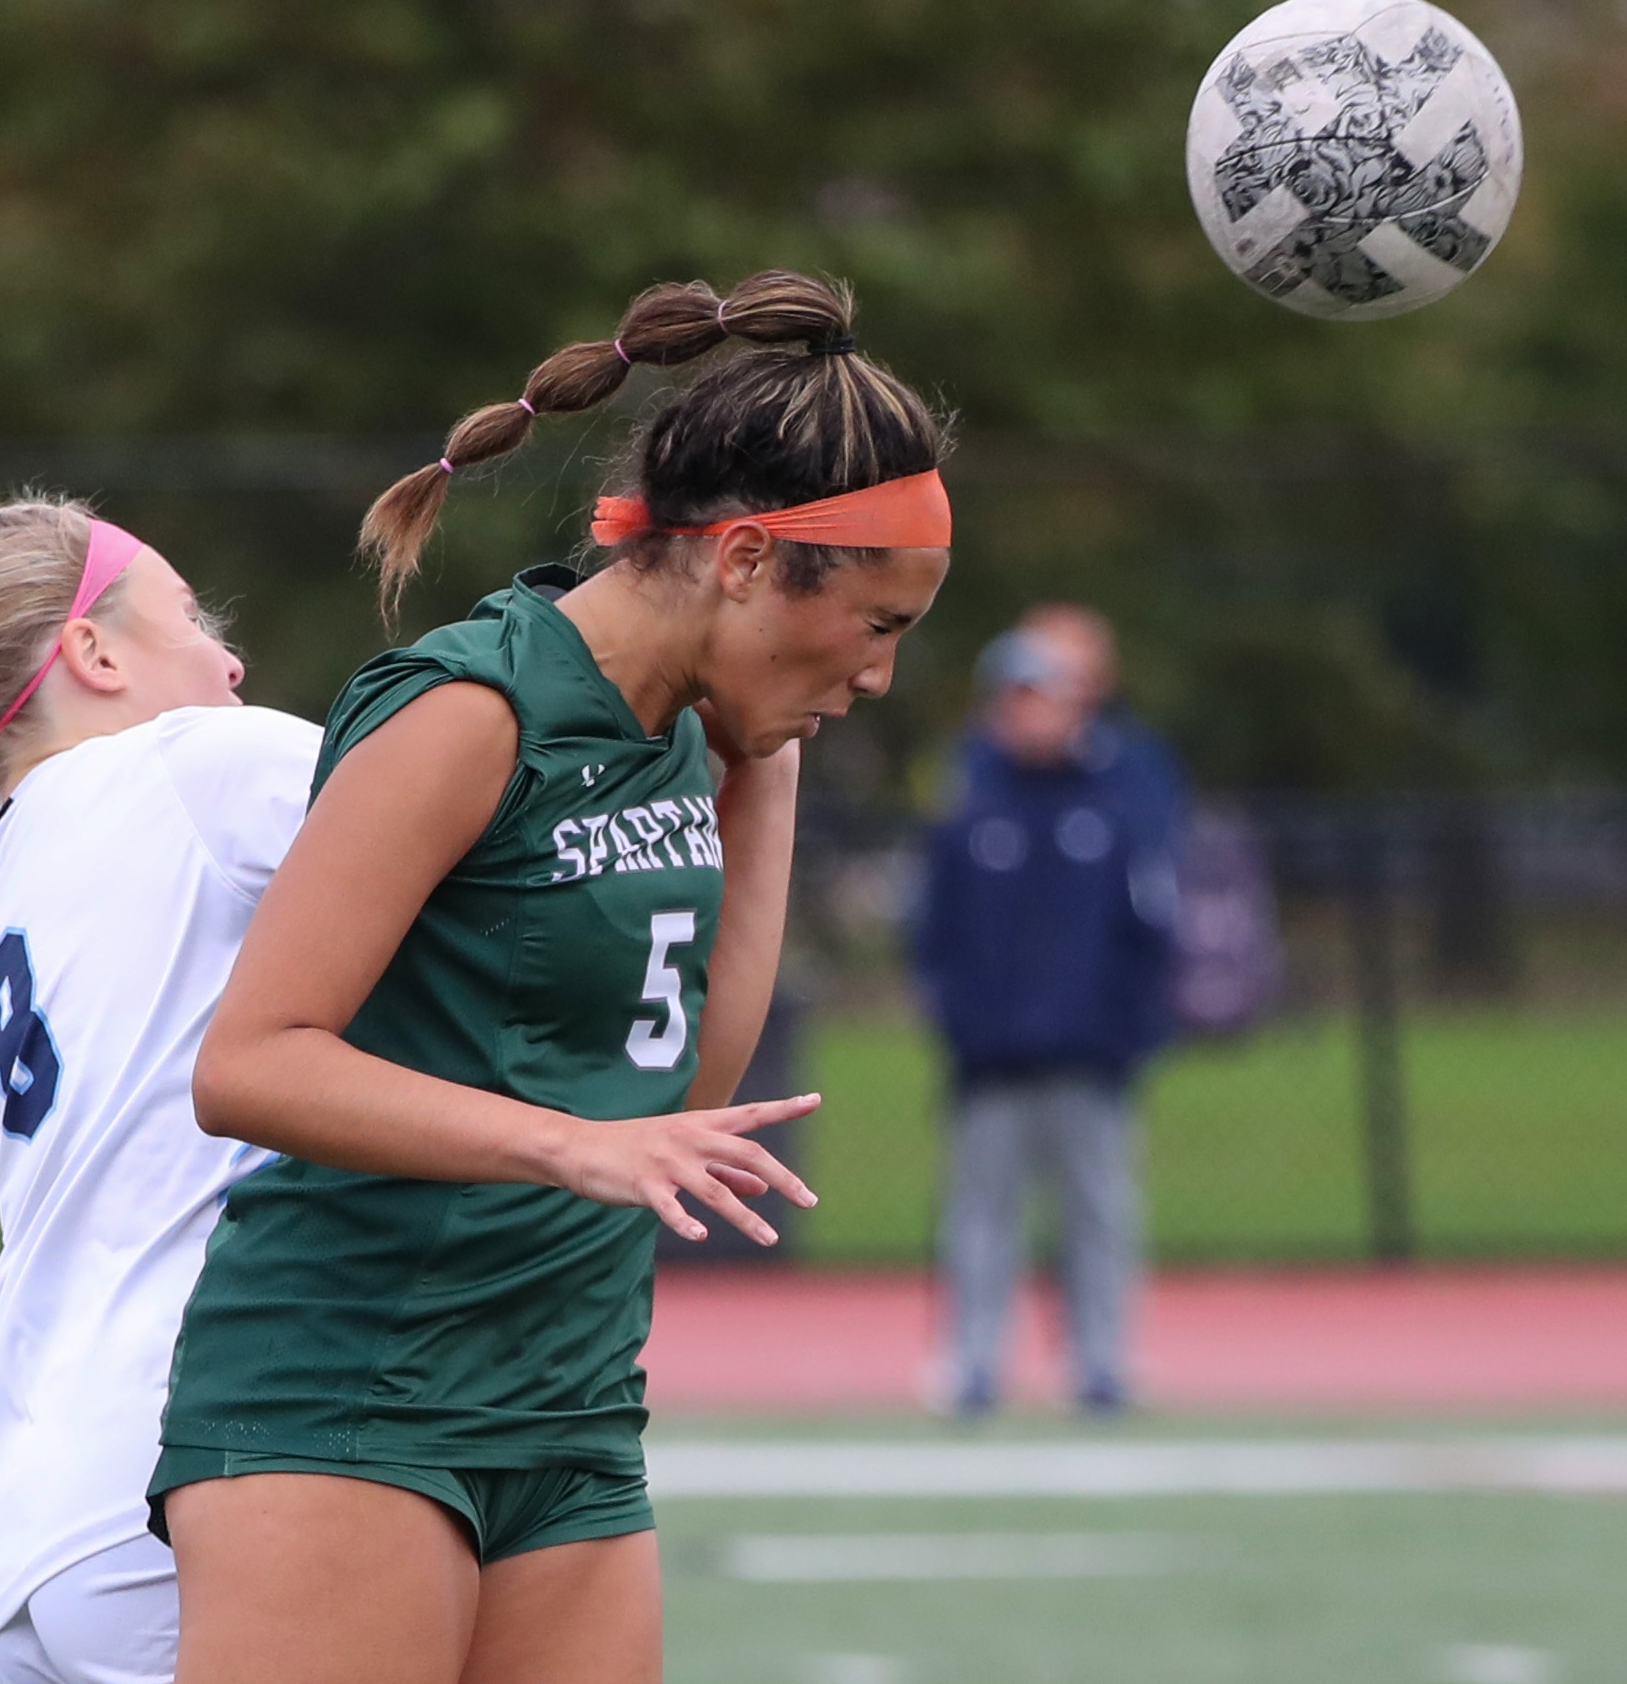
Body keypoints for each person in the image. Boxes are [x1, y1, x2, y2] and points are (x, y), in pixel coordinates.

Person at [151, 270, 954, 1684]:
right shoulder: (476, 710)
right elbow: (251, 1063)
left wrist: (758, 782)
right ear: (749, 558)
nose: (879, 674)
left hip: (570, 1405)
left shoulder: (674, 729)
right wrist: (564, 1145)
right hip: (352, 1394)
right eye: (877, 627)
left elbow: (682, 1094)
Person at [0, 497, 321, 1684]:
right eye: (193, 619)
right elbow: (492, 818)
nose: (229, 655)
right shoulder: (198, 765)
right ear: (94, 655)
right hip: (188, 1463)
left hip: (31, 1518)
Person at [912, 604, 1183, 1416]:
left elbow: (1149, 924)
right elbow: (936, 927)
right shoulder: (968, 793)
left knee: (1099, 1209)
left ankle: (1102, 1361)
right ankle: (973, 1363)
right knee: (979, 1212)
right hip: (990, 1051)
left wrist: (1125, 1026)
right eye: (1014, 695)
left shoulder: (1120, 793)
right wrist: (959, 1017)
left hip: (1089, 1048)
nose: (1027, 712)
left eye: (1043, 694)